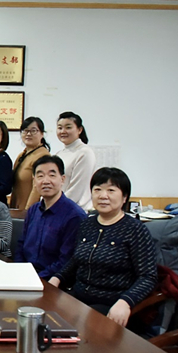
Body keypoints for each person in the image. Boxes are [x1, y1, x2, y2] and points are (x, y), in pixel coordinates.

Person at [49, 168, 157, 327]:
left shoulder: (135, 230)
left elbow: (148, 276)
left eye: (111, 190)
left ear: (124, 197)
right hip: (79, 297)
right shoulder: (87, 224)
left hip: (112, 304)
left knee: (69, 326)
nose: (103, 195)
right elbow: (75, 261)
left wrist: (125, 302)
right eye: (97, 189)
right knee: (45, 316)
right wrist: (56, 279)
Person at [14, 156, 87, 279]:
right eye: (40, 176)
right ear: (34, 180)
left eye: (52, 175)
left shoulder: (74, 215)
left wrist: (36, 278)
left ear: (62, 179)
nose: (45, 181)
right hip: (25, 275)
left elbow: (66, 260)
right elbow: (21, 245)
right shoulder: (33, 210)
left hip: (52, 280)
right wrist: (20, 271)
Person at [56, 111, 96, 210]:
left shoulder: (84, 153)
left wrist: (55, 207)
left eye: (68, 127)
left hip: (75, 210)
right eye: (60, 128)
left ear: (79, 130)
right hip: (58, 208)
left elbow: (77, 189)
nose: (63, 131)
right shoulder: (59, 154)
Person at [10, 117, 51, 210]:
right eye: (25, 131)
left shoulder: (42, 156)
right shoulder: (22, 155)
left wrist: (28, 210)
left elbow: (37, 187)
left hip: (30, 210)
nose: (28, 134)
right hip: (17, 207)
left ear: (42, 134)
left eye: (33, 131)